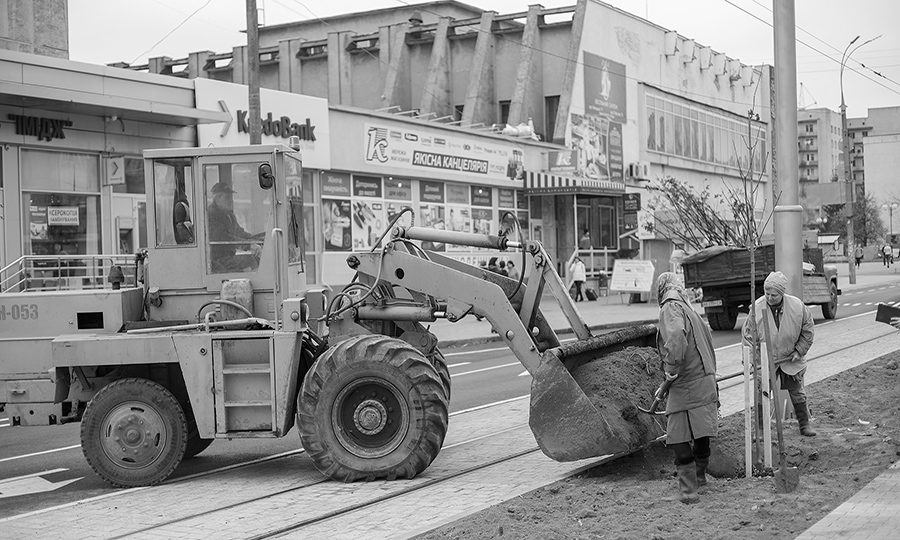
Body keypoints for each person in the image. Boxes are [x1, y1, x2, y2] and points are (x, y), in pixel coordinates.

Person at [655, 272, 718, 504]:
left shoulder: (670, 307)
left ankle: (688, 491)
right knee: (700, 431)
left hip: (685, 381)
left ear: (661, 290)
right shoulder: (687, 307)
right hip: (703, 378)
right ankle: (700, 479)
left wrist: (671, 369)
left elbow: (676, 337)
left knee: (678, 434)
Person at [741, 271, 816, 437]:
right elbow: (747, 337)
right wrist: (755, 359)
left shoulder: (797, 307)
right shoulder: (756, 309)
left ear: (782, 293)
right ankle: (760, 430)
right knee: (762, 394)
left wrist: (799, 350)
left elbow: (808, 330)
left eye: (773, 294)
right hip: (765, 361)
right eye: (766, 293)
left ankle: (804, 425)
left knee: (797, 391)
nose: (769, 297)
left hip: (789, 357)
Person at [207, 182, 262, 273]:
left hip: (228, 257)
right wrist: (249, 245)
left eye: (231, 197)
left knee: (254, 259)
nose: (231, 201)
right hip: (217, 260)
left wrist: (257, 240)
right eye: (227, 197)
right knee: (250, 261)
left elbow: (239, 232)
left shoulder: (228, 214)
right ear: (217, 198)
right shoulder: (212, 214)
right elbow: (224, 238)